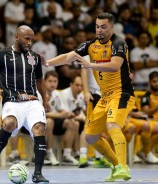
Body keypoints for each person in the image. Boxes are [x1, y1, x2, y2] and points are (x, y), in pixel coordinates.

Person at [46, 12, 135, 182]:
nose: (99, 30)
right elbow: (68, 56)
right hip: (105, 96)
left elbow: (116, 66)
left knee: (112, 125)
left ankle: (123, 167)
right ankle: (117, 166)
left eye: (103, 27)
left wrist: (90, 64)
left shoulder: (118, 43)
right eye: (97, 26)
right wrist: (48, 62)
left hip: (122, 93)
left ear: (111, 27)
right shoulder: (90, 45)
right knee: (91, 136)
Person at [0, 25, 50, 184]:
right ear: (17, 37)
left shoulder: (35, 57)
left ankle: (38, 174)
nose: (30, 42)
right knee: (9, 123)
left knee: (39, 128)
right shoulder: (1, 54)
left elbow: (39, 80)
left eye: (32, 39)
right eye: (27, 39)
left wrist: (46, 99)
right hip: (12, 100)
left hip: (32, 101)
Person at [42, 71, 78, 166]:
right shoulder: (39, 93)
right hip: (38, 123)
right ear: (44, 81)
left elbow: (61, 110)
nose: (53, 84)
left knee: (71, 122)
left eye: (55, 81)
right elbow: (41, 114)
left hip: (53, 122)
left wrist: (67, 113)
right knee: (49, 122)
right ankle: (48, 154)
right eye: (50, 81)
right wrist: (60, 115)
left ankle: (66, 155)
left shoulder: (56, 94)